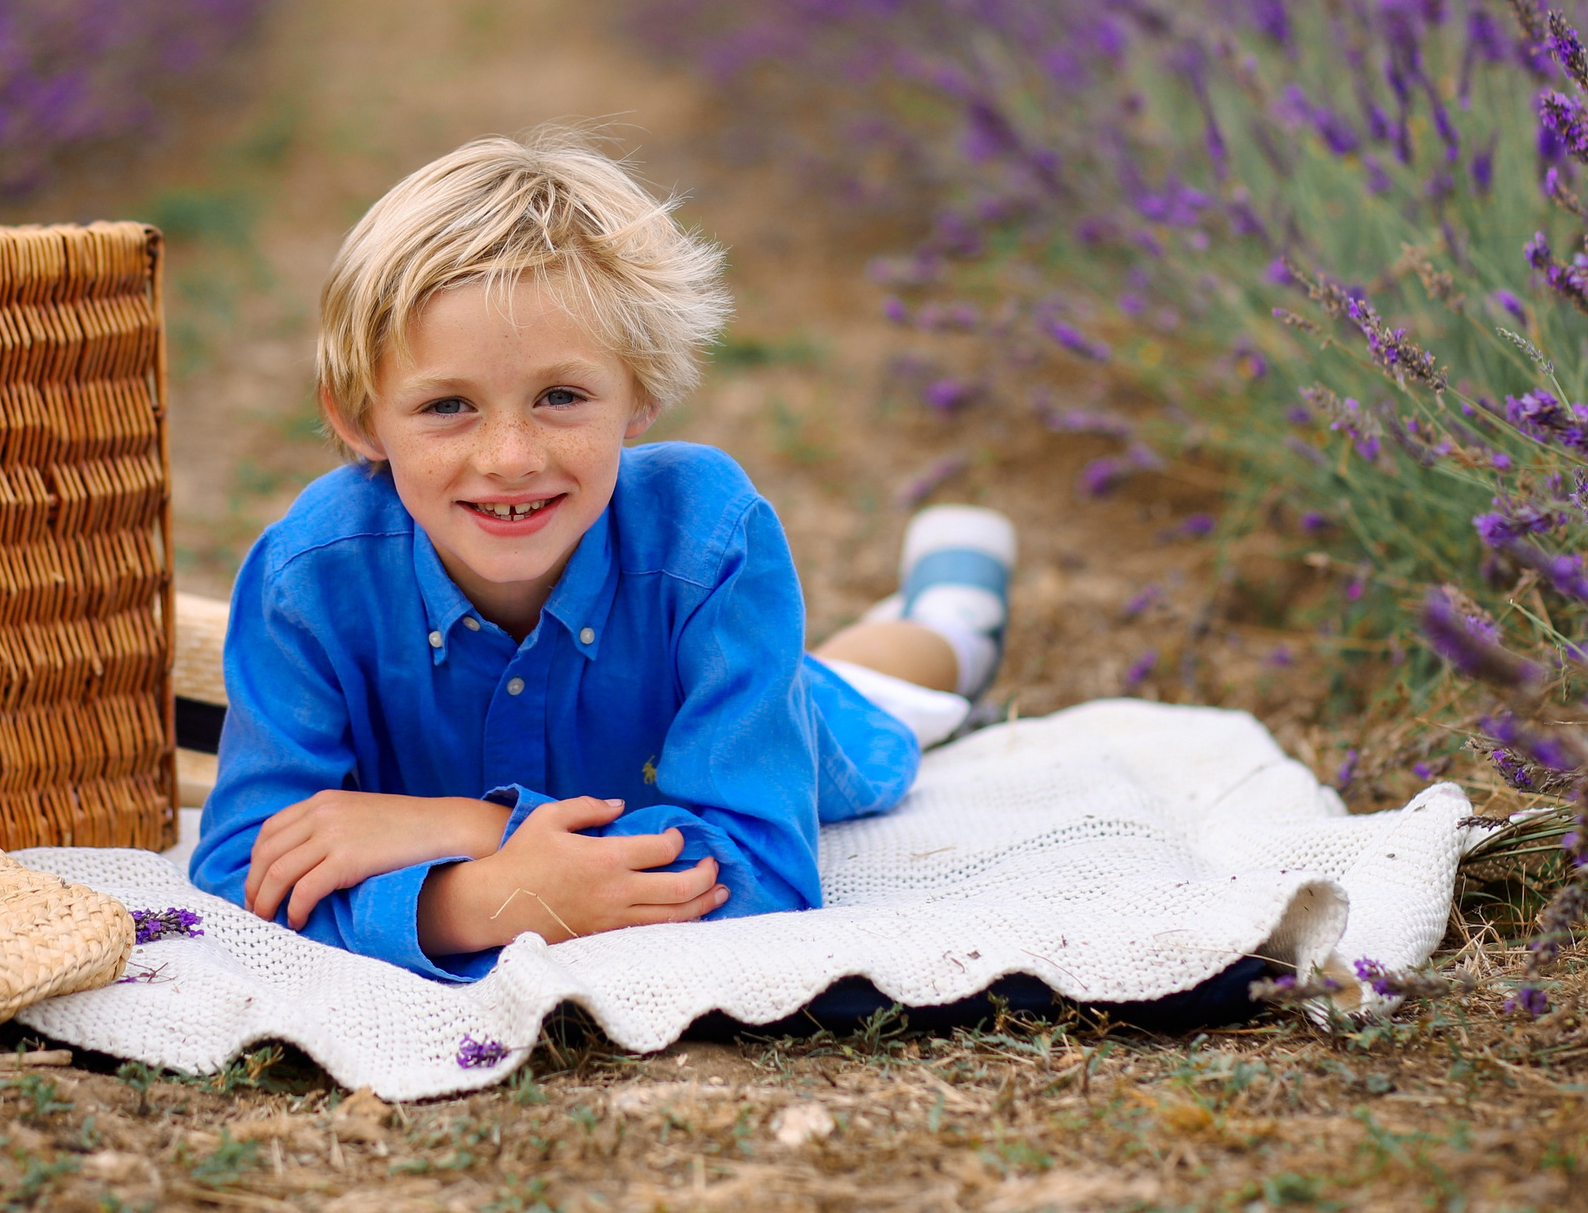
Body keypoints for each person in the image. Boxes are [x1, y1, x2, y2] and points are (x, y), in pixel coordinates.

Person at [186, 132, 1016, 981]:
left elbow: (765, 871)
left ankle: (952, 615)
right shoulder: (310, 576)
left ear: (641, 389)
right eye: (447, 405)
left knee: (875, 694)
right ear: (361, 419)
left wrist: (475, 835)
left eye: (560, 396)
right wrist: (470, 900)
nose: (509, 456)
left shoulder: (708, 540)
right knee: (824, 665)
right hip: (683, 726)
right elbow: (244, 864)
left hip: (763, 721)